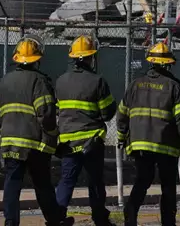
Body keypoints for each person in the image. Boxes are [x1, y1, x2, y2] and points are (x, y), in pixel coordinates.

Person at [0, 34, 74, 226]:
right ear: (38, 59)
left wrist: (4, 129)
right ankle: (54, 220)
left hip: (10, 143)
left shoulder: (4, 81)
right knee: (42, 184)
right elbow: (46, 114)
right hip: (35, 145)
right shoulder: (39, 81)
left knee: (12, 183)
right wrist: (52, 138)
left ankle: (11, 222)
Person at [116, 41, 180, 226]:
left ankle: (130, 213)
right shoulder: (173, 87)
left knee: (142, 180)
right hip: (166, 146)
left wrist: (121, 137)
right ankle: (168, 222)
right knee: (168, 185)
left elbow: (122, 113)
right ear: (168, 64)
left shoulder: (135, 85)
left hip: (139, 145)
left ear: (150, 62)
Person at [54, 35, 117, 226]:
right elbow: (107, 112)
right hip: (91, 142)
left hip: (67, 142)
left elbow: (57, 110)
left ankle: (57, 218)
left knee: (66, 181)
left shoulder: (60, 81)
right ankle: (99, 218)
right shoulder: (97, 81)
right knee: (95, 182)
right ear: (91, 57)